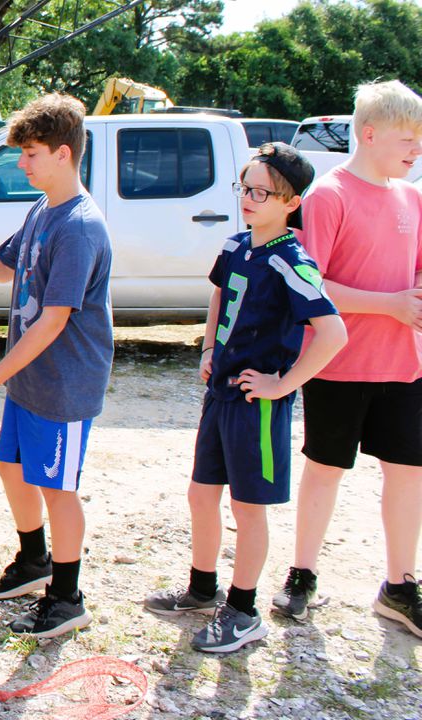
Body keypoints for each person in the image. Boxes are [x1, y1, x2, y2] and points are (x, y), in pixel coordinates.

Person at [143, 143, 346, 653]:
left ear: (291, 202)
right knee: (200, 493)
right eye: (245, 188)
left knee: (248, 507)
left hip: (257, 404)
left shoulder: (292, 260)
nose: (249, 199)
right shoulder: (236, 246)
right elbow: (218, 294)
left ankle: (243, 610)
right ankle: (201, 589)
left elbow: (333, 333)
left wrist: (284, 383)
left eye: (262, 192)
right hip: (221, 394)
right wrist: (209, 346)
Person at [0, 93, 111, 639]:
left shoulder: (79, 226)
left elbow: (55, 320)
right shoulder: (42, 210)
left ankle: (67, 594)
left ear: (63, 153)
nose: (22, 163)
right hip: (30, 377)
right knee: (10, 466)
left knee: (58, 488)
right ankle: (34, 561)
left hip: (64, 383)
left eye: (31, 153)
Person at [271, 80, 422, 639]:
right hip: (338, 365)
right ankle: (303, 575)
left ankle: (400, 587)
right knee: (326, 469)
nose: (416, 150)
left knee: (409, 474)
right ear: (369, 133)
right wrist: (390, 305)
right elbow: (308, 285)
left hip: (404, 365)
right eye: (408, 138)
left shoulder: (413, 198)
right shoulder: (329, 196)